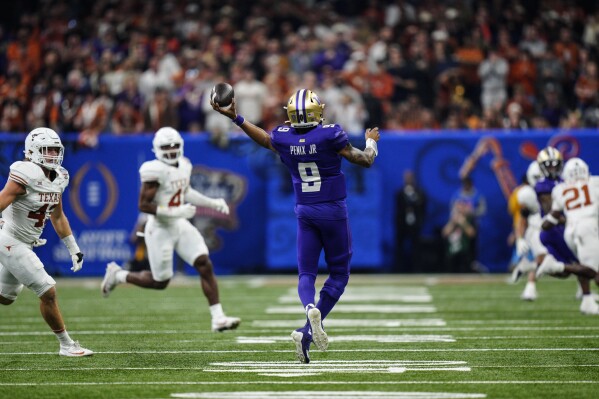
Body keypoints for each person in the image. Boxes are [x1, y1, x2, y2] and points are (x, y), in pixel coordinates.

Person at [211, 89, 380, 363]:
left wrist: (237, 118)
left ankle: (308, 320)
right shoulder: (331, 134)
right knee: (339, 274)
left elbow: (265, 139)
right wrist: (372, 143)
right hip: (333, 210)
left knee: (306, 273)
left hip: (305, 211)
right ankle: (314, 319)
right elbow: (365, 160)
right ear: (317, 111)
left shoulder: (283, 137)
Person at [101, 127, 241, 332]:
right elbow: (144, 206)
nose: (171, 150)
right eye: (166, 147)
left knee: (204, 263)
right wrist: (177, 212)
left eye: (175, 145)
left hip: (178, 224)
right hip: (159, 229)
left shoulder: (184, 165)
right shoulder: (153, 170)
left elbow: (186, 192)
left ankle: (218, 318)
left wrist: (212, 203)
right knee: (160, 282)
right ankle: (118, 275)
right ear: (157, 149)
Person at [0, 127, 93, 356]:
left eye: (54, 150)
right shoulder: (25, 173)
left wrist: (73, 248)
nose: (52, 155)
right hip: (10, 239)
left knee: (5, 298)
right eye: (47, 150)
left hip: (26, 242)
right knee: (47, 290)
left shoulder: (59, 176)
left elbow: (57, 215)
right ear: (32, 151)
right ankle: (67, 344)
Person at [536, 157, 599, 314]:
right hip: (588, 227)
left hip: (569, 230)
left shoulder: (559, 189)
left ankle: (587, 300)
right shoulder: (594, 182)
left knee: (584, 266)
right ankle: (557, 266)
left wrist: (543, 225)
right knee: (594, 272)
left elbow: (551, 219)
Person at [395, 170, 427, 272]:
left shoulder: (420, 193)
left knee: (416, 248)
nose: (408, 179)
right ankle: (399, 269)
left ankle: (417, 269)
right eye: (406, 177)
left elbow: (423, 208)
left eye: (410, 177)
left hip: (415, 225)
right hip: (402, 225)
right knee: (400, 248)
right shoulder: (400, 193)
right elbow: (398, 209)